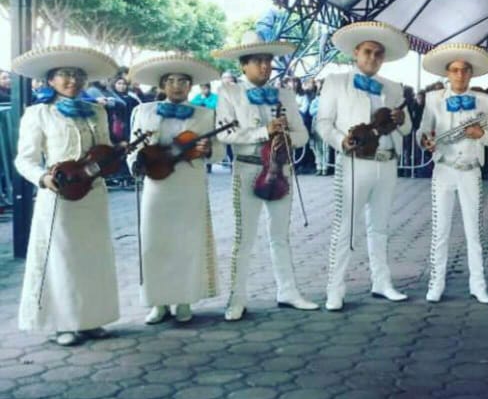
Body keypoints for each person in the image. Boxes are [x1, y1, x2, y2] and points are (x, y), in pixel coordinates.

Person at [12, 46, 122, 346]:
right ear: (51, 80)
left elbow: (104, 151)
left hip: (93, 194)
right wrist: (43, 178)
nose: (72, 80)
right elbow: (24, 159)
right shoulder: (38, 113)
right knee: (61, 259)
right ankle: (64, 324)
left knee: (93, 256)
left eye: (78, 75)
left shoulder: (97, 111)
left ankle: (91, 319)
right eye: (64, 74)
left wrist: (116, 155)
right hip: (59, 195)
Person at [213, 31, 318, 320]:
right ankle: (237, 298)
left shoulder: (285, 94)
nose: (264, 66)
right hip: (247, 168)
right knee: (244, 237)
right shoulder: (229, 92)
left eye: (268, 61)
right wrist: (264, 131)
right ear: (243, 65)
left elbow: (303, 135)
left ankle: (288, 291)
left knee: (280, 235)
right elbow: (226, 134)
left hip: (280, 169)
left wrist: (286, 136)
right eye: (258, 61)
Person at [317, 21, 413, 309]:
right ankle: (335, 289)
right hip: (354, 162)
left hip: (387, 162)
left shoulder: (393, 88)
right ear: (356, 53)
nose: (373, 57)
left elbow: (407, 130)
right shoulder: (336, 82)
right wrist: (340, 141)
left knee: (380, 226)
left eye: (378, 53)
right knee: (345, 227)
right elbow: (323, 123)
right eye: (368, 51)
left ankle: (382, 282)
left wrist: (402, 120)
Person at [127, 55, 221, 325]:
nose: (177, 86)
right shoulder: (144, 111)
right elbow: (133, 148)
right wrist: (136, 164)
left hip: (189, 184)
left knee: (186, 242)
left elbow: (219, 152)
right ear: (162, 85)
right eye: (170, 81)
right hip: (157, 185)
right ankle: (158, 303)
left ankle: (184, 300)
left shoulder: (205, 114)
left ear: (190, 85)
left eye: (183, 81)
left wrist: (208, 150)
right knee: (155, 242)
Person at [418, 43, 488, 304]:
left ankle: (478, 285)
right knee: (440, 230)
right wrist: (425, 141)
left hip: (471, 170)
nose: (460, 75)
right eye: (454, 70)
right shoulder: (434, 99)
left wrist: (481, 134)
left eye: (465, 70)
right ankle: (436, 284)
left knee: (474, 231)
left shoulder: (485, 101)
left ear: (471, 73)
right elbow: (423, 130)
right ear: (447, 73)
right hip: (444, 169)